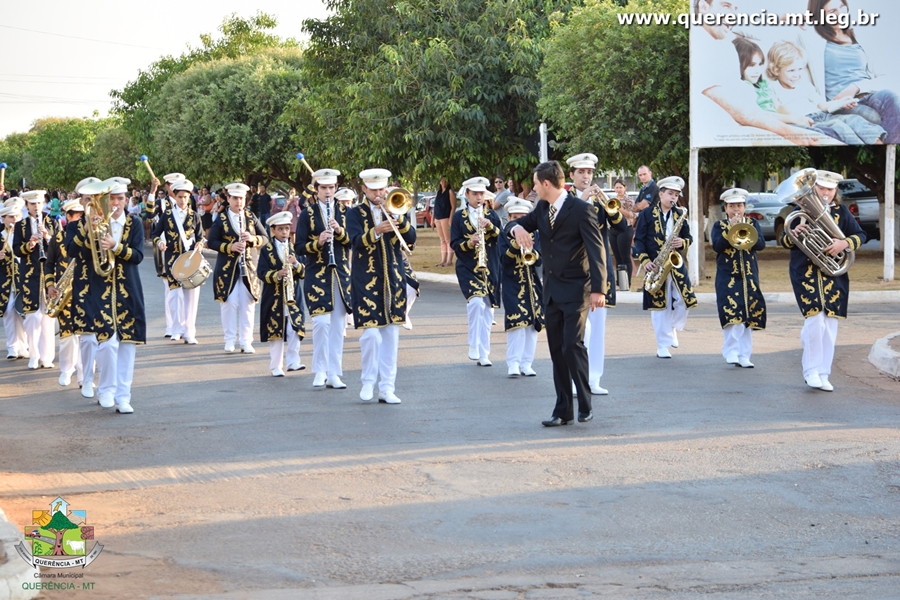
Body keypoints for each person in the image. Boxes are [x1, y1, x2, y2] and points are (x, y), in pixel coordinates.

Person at [509, 161, 606, 427]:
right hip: (551, 292)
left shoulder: (581, 210)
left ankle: (584, 401)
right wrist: (517, 228)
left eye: (535, 184)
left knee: (572, 345)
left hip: (577, 290)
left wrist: (599, 289)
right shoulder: (542, 207)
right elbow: (517, 226)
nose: (533, 188)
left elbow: (597, 251)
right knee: (556, 351)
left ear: (546, 183)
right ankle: (563, 410)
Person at [778, 168, 866, 391]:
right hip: (805, 274)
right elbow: (784, 241)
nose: (826, 193)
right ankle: (811, 371)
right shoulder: (799, 211)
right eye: (822, 188)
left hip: (834, 275)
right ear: (814, 188)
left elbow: (861, 235)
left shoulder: (841, 212)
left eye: (830, 189)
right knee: (815, 319)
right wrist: (794, 232)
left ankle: (824, 373)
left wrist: (844, 243)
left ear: (835, 191)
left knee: (830, 325)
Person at [66, 177, 146, 414]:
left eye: (120, 199)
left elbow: (138, 256)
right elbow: (74, 252)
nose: (116, 203)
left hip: (129, 289)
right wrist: (88, 227)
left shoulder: (135, 223)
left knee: (128, 345)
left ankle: (124, 396)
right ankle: (106, 390)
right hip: (101, 291)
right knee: (108, 343)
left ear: (126, 200)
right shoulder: (93, 223)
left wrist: (115, 246)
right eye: (111, 199)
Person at [347, 168, 416, 403]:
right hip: (366, 281)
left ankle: (387, 388)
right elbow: (355, 241)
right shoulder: (355, 213)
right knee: (371, 336)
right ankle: (368, 382)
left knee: (391, 337)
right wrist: (376, 231)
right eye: (374, 190)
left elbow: (411, 239)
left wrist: (399, 219)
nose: (379, 194)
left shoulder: (396, 209)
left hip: (393, 280)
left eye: (382, 189)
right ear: (364, 189)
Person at [800, 0, 900, 143]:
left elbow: (888, 76)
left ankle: (891, 151)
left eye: (842, 7)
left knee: (891, 97)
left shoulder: (861, 36)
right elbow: (778, 27)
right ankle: (888, 152)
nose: (841, 14)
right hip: (842, 104)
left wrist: (856, 87)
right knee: (874, 118)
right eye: (832, 12)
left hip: (869, 94)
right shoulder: (813, 40)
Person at [568, 153, 626, 396]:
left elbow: (622, 227)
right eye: (581, 172)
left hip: (600, 272)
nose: (586, 177)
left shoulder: (600, 201)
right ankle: (575, 380)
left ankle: (594, 379)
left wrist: (609, 208)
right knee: (578, 331)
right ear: (572, 175)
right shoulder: (565, 200)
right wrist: (582, 200)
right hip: (574, 272)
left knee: (598, 330)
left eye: (589, 172)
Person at [295, 168, 352, 390]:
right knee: (320, 323)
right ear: (316, 189)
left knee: (337, 327)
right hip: (317, 273)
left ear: (336, 188)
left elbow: (354, 242)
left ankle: (334, 374)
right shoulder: (307, 214)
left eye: (331, 187)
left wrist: (340, 232)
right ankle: (320, 370)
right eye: (323, 188)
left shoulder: (346, 212)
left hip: (340, 275)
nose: (328, 192)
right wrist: (317, 242)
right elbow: (299, 246)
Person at [764, 41, 885, 145]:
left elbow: (822, 104)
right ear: (776, 70)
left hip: (822, 115)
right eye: (791, 71)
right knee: (839, 127)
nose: (797, 75)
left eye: (800, 69)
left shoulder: (804, 84)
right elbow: (774, 112)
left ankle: (880, 146)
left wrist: (840, 103)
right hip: (804, 122)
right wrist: (795, 119)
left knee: (855, 120)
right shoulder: (772, 88)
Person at [632, 176, 698, 359]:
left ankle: (672, 327)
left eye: (676, 195)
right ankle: (662, 345)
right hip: (656, 265)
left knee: (684, 300)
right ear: (660, 194)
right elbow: (639, 240)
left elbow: (689, 237)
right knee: (659, 307)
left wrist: (683, 242)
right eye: (670, 193)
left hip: (675, 264)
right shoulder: (647, 214)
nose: (673, 198)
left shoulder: (680, 214)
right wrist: (645, 261)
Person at [207, 182, 268, 354]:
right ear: (228, 199)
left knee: (248, 304)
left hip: (249, 267)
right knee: (229, 302)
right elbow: (212, 241)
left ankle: (246, 341)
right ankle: (229, 339)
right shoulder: (222, 218)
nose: (238, 202)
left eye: (241, 198)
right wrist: (230, 247)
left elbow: (265, 237)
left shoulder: (250, 216)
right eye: (235, 198)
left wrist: (253, 239)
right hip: (228, 268)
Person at [710, 188, 767, 368]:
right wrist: (731, 230)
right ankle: (731, 352)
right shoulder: (719, 226)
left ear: (745, 207)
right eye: (732, 206)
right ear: (725, 208)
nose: (736, 210)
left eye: (739, 206)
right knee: (731, 315)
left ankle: (744, 355)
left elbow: (761, 245)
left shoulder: (752, 223)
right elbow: (717, 246)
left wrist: (747, 231)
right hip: (727, 276)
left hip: (749, 276)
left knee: (747, 317)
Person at [451, 176, 502, 367]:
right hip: (467, 267)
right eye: (475, 194)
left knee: (488, 311)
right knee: (476, 303)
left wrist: (490, 227)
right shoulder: (459, 216)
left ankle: (484, 353)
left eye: (481, 194)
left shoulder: (491, 215)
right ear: (467, 194)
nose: (479, 197)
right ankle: (473, 343)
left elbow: (502, 238)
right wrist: (469, 242)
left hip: (490, 267)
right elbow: (454, 243)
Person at [152, 179, 204, 345]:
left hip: (190, 261)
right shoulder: (167, 215)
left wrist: (200, 244)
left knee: (191, 297)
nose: (182, 200)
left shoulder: (195, 216)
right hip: (172, 260)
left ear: (189, 197)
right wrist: (160, 242)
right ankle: (175, 329)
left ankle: (190, 331)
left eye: (185, 197)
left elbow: (201, 236)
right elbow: (155, 234)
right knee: (174, 296)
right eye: (180, 196)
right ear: (175, 196)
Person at [13, 189, 60, 370]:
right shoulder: (21, 225)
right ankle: (34, 355)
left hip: (49, 274)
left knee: (48, 317)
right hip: (29, 275)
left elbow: (61, 246)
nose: (36, 207)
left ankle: (46, 357)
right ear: (27, 206)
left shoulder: (52, 221)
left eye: (39, 203)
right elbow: (17, 250)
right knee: (32, 318)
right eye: (32, 204)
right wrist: (30, 244)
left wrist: (47, 237)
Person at [258, 211, 306, 377]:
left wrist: (296, 263)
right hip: (274, 297)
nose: (284, 232)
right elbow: (261, 273)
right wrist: (277, 274)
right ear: (273, 230)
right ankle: (276, 366)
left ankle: (293, 361)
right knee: (276, 332)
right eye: (280, 229)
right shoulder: (267, 250)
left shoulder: (294, 248)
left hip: (293, 296)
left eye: (286, 229)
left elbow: (304, 272)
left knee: (294, 329)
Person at [500, 198, 543, 378]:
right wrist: (515, 246)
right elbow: (503, 260)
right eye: (515, 217)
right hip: (512, 284)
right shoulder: (504, 234)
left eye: (522, 218)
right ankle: (513, 363)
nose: (519, 221)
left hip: (532, 285)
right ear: (509, 217)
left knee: (532, 325)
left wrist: (531, 251)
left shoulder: (535, 235)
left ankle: (527, 363)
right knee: (516, 324)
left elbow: (540, 259)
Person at [44, 199, 85, 386]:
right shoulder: (58, 238)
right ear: (68, 216)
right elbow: (49, 264)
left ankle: (85, 376)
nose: (81, 219)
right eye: (77, 216)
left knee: (86, 336)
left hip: (85, 290)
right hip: (64, 291)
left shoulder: (89, 236)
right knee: (67, 333)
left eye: (83, 216)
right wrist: (50, 285)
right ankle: (67, 370)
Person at [0, 202, 27, 360]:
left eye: (17, 216)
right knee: (9, 311)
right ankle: (12, 346)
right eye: (11, 217)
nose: (14, 220)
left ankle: (24, 346)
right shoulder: (1, 236)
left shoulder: (25, 235)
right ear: (3, 219)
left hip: (23, 279)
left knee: (23, 311)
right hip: (5, 281)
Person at [608, 179, 637, 289]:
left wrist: (619, 209)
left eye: (620, 187)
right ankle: (619, 282)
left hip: (625, 229)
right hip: (613, 229)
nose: (618, 189)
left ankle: (627, 283)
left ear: (625, 188)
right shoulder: (612, 200)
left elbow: (631, 215)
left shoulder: (629, 200)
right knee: (617, 257)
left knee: (625, 257)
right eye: (617, 187)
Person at [433, 177, 456, 267]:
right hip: (438, 217)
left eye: (445, 181)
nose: (443, 182)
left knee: (448, 239)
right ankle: (443, 260)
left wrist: (450, 219)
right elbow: (435, 206)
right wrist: (433, 219)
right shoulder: (438, 192)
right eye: (442, 181)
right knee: (442, 240)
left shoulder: (450, 192)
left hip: (446, 217)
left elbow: (453, 207)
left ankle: (449, 260)